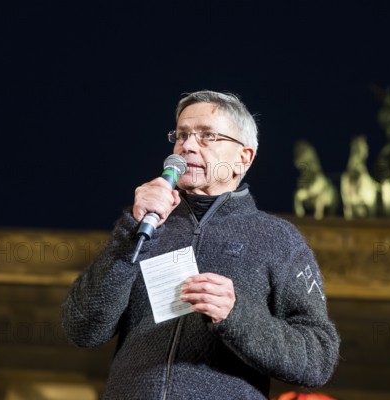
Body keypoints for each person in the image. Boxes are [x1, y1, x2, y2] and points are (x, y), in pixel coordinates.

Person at [61, 90, 340, 399]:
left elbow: (318, 359)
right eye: (181, 136)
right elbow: (82, 329)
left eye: (207, 136)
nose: (187, 147)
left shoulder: (280, 241)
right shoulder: (143, 226)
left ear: (243, 157)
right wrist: (129, 232)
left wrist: (236, 316)